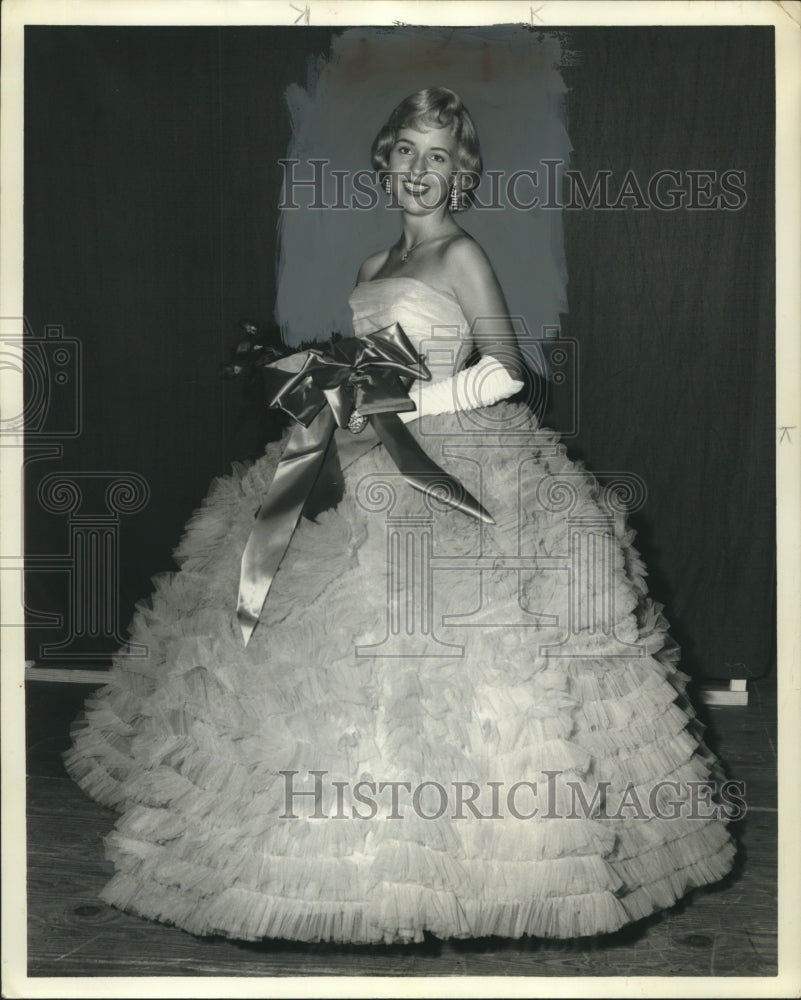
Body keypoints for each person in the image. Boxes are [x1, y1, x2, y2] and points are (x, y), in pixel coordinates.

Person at [64, 87, 735, 944]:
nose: (422, 171)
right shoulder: (368, 272)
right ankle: (317, 855)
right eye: (407, 153)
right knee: (298, 635)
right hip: (356, 457)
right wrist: (331, 389)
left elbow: (505, 369)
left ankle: (458, 860)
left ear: (461, 173)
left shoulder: (461, 256)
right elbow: (359, 372)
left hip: (455, 456)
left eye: (439, 156)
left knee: (455, 644)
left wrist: (413, 403)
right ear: (384, 161)